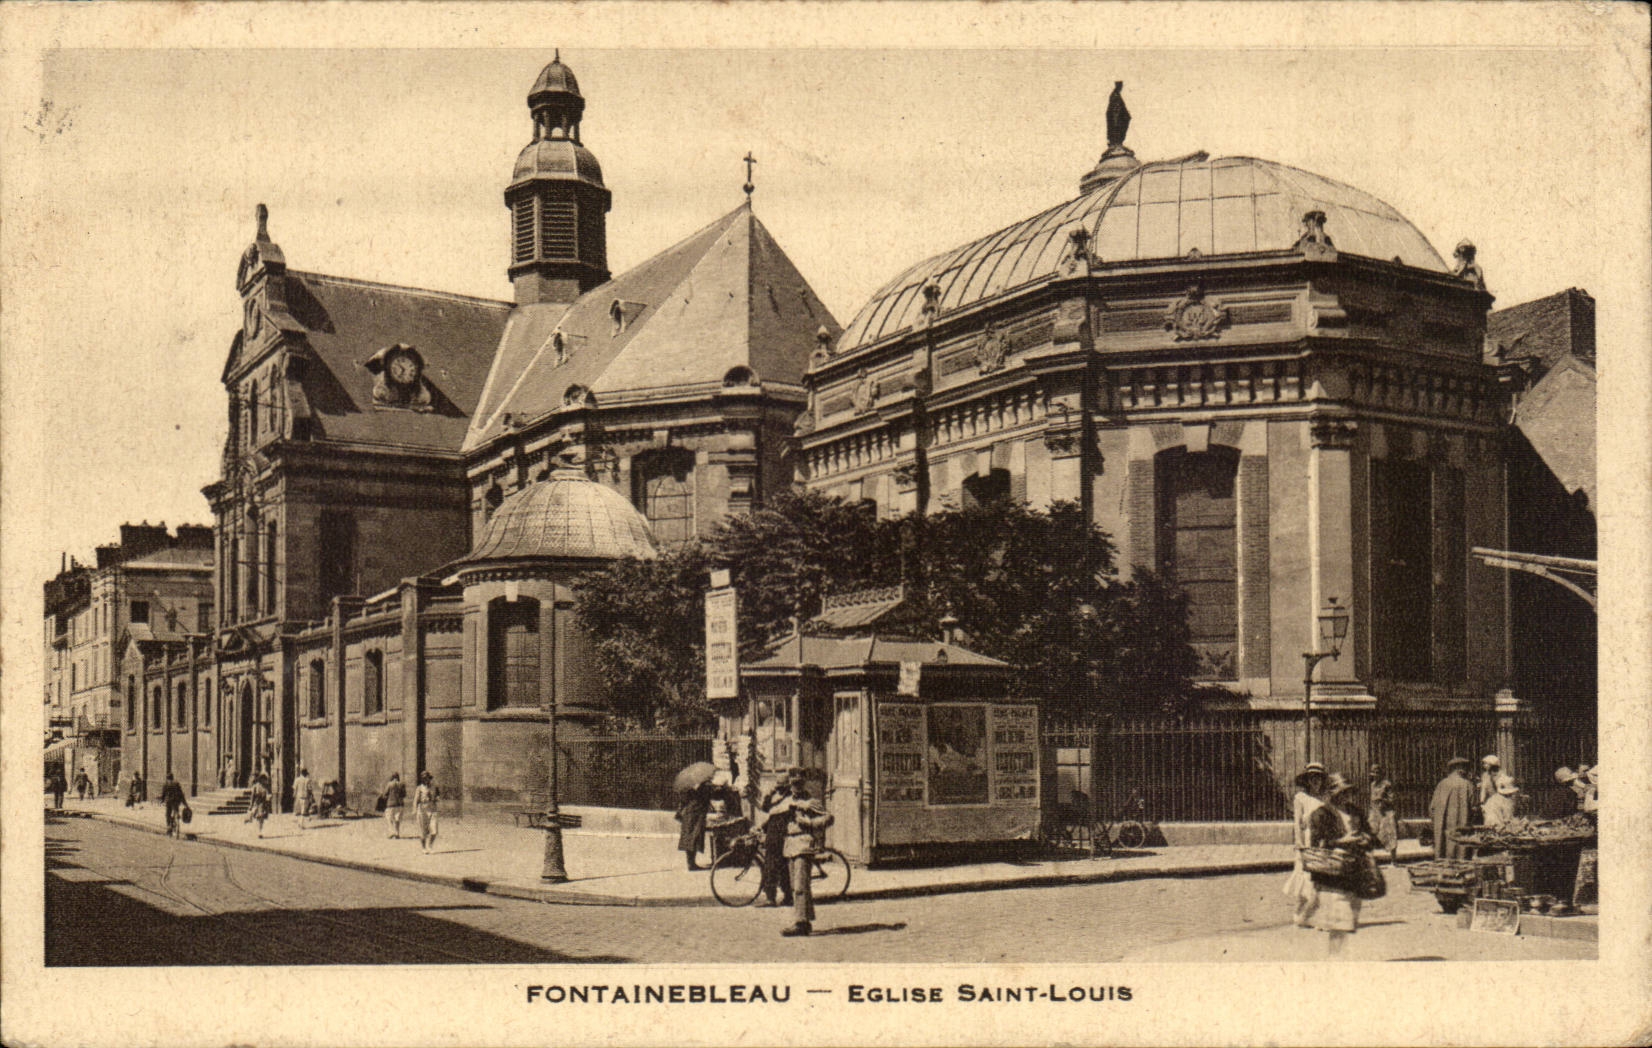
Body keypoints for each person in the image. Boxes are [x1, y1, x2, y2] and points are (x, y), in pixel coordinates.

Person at [1305, 772, 1375, 955]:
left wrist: (1365, 839)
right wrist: (1342, 841)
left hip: (1355, 872)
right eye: (1342, 792)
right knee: (1339, 921)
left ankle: (1339, 957)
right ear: (1333, 794)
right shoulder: (1321, 814)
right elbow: (1317, 843)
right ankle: (1335, 961)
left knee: (1350, 917)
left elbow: (1369, 833)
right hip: (1333, 873)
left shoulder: (1356, 812)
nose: (1346, 796)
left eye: (1348, 792)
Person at [776, 769, 835, 937]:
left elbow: (829, 817)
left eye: (799, 783)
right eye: (793, 784)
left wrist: (809, 822)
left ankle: (800, 922)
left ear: (804, 783)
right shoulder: (786, 801)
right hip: (790, 845)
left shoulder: (811, 801)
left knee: (800, 886)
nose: (796, 787)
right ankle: (805, 920)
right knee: (796, 886)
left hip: (803, 843)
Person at [1283, 761, 1327, 927]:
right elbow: (1297, 823)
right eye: (1312, 778)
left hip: (1320, 841)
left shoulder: (1323, 799)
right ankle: (1299, 912)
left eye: (1319, 778)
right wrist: (1299, 842)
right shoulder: (1300, 798)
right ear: (1307, 780)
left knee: (1317, 878)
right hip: (1307, 839)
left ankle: (1307, 915)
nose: (1315, 781)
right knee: (1304, 876)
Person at [758, 774, 796, 909]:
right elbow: (765, 808)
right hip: (773, 835)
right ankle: (787, 896)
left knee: (772, 867)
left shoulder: (790, 799)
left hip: (780, 836)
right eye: (777, 786)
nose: (779, 789)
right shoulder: (777, 796)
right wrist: (769, 793)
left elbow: (779, 816)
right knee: (781, 868)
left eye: (781, 787)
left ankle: (771, 898)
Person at [1429, 757, 1475, 859]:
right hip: (1462, 827)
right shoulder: (1467, 785)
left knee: (1444, 852)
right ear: (1459, 769)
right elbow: (1474, 808)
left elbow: (1432, 808)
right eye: (1464, 768)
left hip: (1444, 829)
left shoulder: (1441, 784)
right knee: (1461, 851)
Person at [675, 779, 714, 871]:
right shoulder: (692, 786)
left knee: (693, 838)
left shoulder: (691, 784)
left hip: (693, 813)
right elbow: (684, 798)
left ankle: (691, 863)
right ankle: (691, 864)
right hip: (694, 814)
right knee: (692, 837)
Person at [1366, 765, 1399, 864]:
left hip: (1386, 812)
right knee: (1371, 834)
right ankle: (1370, 860)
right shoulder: (1372, 785)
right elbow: (1372, 799)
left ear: (1381, 773)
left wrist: (1383, 801)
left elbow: (1392, 799)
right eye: (1373, 773)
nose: (1375, 775)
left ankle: (1393, 860)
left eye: (1377, 773)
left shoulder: (1387, 784)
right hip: (1375, 812)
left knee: (1390, 834)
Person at [414, 771, 440, 853]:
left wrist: (436, 798)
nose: (426, 780)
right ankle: (424, 848)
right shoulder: (419, 788)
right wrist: (414, 809)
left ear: (429, 778)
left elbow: (438, 796)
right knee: (423, 831)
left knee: (434, 830)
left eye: (427, 778)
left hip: (432, 809)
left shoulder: (434, 787)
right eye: (424, 779)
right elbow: (416, 800)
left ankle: (430, 846)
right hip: (422, 810)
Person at [160, 773, 187, 838]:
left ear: (167, 778)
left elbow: (163, 794)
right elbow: (181, 793)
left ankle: (169, 828)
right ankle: (177, 819)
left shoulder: (165, 784)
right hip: (176, 801)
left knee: (167, 814)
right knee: (176, 811)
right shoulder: (176, 784)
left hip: (169, 801)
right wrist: (185, 803)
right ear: (172, 777)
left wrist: (162, 800)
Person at [247, 772, 272, 838]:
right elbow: (252, 796)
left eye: (265, 779)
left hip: (263, 804)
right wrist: (251, 805)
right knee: (258, 818)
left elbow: (268, 795)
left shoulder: (265, 787)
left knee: (261, 818)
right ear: (260, 779)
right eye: (263, 779)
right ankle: (258, 831)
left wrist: (268, 798)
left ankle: (260, 831)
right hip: (257, 804)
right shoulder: (255, 786)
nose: (264, 781)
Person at [383, 772, 407, 839]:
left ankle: (391, 832)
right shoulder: (402, 784)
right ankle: (397, 833)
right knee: (397, 819)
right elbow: (404, 794)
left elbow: (385, 794)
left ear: (392, 777)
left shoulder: (389, 784)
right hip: (400, 804)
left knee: (389, 819)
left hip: (390, 804)